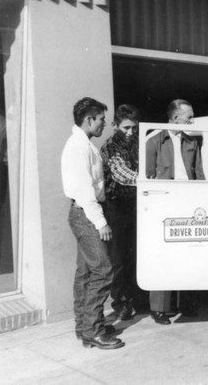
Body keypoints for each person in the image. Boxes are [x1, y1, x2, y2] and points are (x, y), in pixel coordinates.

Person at [61, 97, 124, 350]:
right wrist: (101, 222)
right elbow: (85, 190)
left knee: (86, 272)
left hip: (84, 211)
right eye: (101, 120)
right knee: (103, 271)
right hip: (86, 213)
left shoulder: (83, 144)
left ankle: (85, 326)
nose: (104, 124)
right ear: (89, 120)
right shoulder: (78, 147)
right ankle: (94, 331)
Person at [146, 99, 205, 324]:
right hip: (164, 205)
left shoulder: (192, 141)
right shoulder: (154, 141)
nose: (192, 120)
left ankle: (186, 303)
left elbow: (198, 172)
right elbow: (148, 176)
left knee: (188, 251)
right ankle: (159, 308)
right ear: (174, 118)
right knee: (163, 255)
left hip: (188, 202)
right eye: (189, 116)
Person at [100, 104, 142, 321]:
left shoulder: (136, 143)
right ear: (115, 125)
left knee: (137, 254)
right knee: (119, 258)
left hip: (136, 204)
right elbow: (121, 173)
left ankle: (136, 298)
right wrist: (146, 180)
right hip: (116, 207)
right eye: (126, 128)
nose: (130, 132)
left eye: (134, 128)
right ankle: (121, 302)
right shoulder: (109, 147)